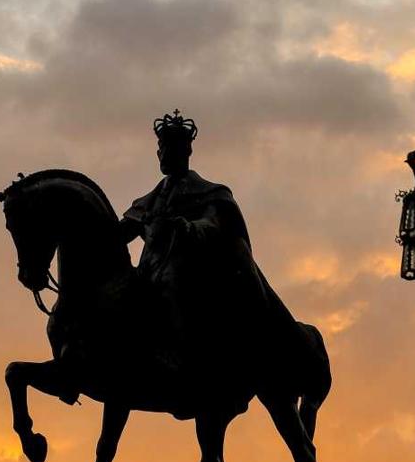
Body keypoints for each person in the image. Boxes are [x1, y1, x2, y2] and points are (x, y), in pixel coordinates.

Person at [120, 111, 293, 414]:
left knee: (173, 284)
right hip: (149, 274)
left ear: (186, 151)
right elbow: (120, 233)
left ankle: (187, 363)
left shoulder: (211, 193)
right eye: (160, 148)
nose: (163, 154)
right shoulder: (148, 201)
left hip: (195, 277)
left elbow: (215, 226)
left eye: (170, 148)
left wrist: (186, 227)